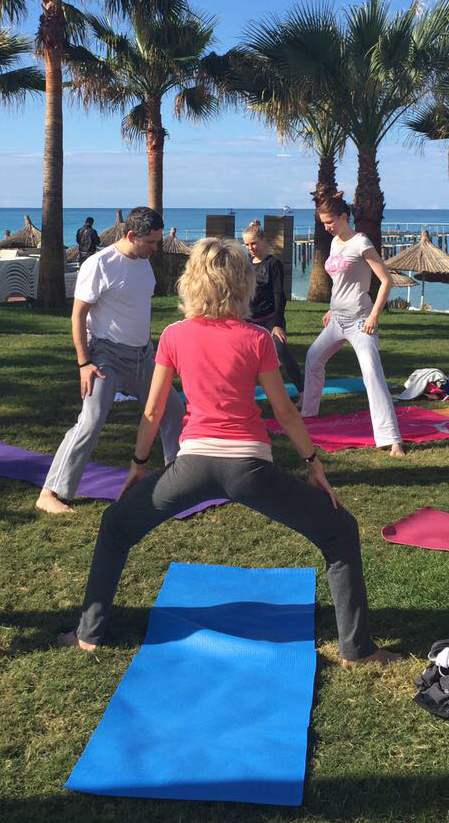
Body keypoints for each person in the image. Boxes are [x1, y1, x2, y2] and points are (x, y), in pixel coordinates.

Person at [57, 237, 400, 667]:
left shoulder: (174, 335)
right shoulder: (257, 338)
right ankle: (357, 649)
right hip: (250, 469)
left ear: (191, 282)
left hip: (192, 466)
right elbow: (284, 413)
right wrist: (313, 464)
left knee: (116, 526)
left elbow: (153, 411)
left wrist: (138, 465)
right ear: (242, 284)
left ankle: (88, 635)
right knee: (339, 531)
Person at [36, 206, 185, 515]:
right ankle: (50, 492)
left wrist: (149, 346)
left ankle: (178, 477)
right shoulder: (99, 265)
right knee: (91, 421)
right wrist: (83, 363)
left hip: (142, 356)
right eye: (151, 242)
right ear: (131, 235)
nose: (155, 248)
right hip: (106, 356)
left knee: (172, 408)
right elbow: (78, 316)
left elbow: (135, 309)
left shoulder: (143, 264)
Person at [301, 193, 404, 457]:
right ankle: (308, 414)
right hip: (337, 319)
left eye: (329, 222)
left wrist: (373, 317)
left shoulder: (361, 242)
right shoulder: (335, 242)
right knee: (313, 358)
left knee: (371, 373)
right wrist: (332, 308)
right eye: (323, 223)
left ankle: (392, 439)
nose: (326, 227)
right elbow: (341, 283)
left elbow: (386, 280)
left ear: (344, 217)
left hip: (361, 321)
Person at [242, 219, 302, 391]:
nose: (251, 248)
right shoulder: (246, 265)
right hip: (249, 320)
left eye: (254, 243)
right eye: (247, 245)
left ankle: (303, 391)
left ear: (263, 241)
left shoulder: (273, 264)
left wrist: (277, 325)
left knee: (281, 350)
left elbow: (279, 296)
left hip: (270, 319)